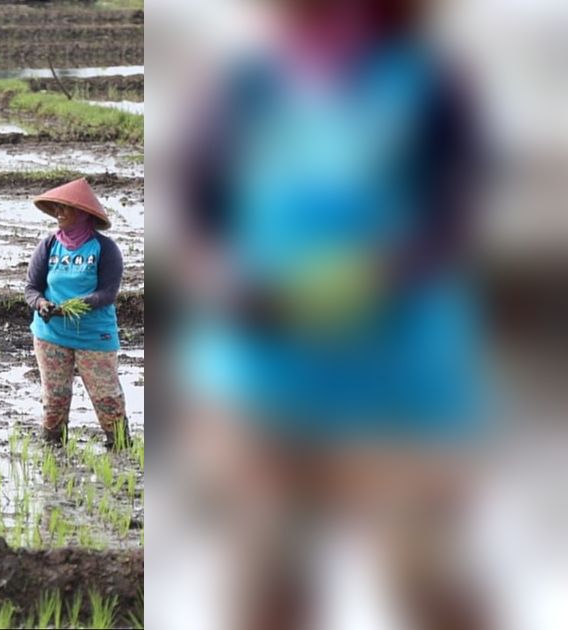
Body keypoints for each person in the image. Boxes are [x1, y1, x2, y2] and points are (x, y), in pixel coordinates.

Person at [175, 0, 487, 628]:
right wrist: (226, 279)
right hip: (262, 377)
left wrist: (353, 286)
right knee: (264, 579)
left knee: (422, 573)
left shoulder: (427, 87)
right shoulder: (245, 85)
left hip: (395, 379)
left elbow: (448, 224)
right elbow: (199, 208)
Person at [25, 178, 129, 449]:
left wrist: (74, 305)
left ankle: (120, 447)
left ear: (83, 214)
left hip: (94, 335)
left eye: (66, 209)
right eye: (56, 208)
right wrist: (42, 305)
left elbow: (107, 293)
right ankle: (52, 448)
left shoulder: (105, 249)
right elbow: (31, 288)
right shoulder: (48, 245)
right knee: (55, 398)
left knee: (107, 397)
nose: (59, 213)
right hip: (51, 334)